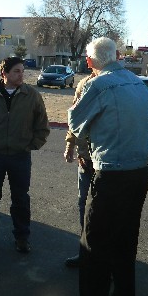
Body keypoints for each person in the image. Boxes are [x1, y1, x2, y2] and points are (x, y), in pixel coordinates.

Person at [61, 37, 148, 296]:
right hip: (140, 173)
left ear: (90, 62)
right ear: (118, 56)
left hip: (111, 174)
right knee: (125, 239)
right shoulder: (138, 83)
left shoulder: (98, 85)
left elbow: (75, 120)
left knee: (94, 247)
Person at [0, 56, 50, 253]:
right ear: (4, 73)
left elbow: (42, 125)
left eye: (22, 71)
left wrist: (32, 144)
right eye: (16, 71)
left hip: (20, 156)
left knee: (20, 198)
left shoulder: (31, 95)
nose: (21, 75)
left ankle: (22, 237)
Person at [62, 69, 97, 267]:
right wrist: (70, 146)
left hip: (108, 164)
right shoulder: (83, 84)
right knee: (84, 206)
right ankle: (85, 253)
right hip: (85, 160)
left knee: (104, 210)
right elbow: (75, 117)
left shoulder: (113, 84)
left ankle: (102, 259)